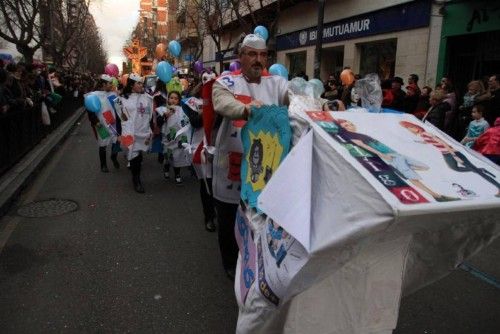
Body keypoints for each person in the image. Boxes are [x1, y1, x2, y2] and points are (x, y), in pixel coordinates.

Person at [211, 34, 288, 279]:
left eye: (263, 54)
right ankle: (228, 264)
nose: (259, 60)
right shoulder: (226, 82)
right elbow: (222, 104)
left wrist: (320, 106)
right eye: (253, 54)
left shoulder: (277, 83)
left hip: (264, 166)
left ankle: (257, 264)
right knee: (228, 217)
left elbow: (295, 101)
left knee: (259, 217)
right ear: (241, 56)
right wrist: (245, 109)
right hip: (231, 163)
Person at [400, 120, 500, 197]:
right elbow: (430, 142)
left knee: (477, 172)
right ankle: (479, 169)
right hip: (446, 153)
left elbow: (443, 143)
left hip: (452, 152)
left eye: (409, 128)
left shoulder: (426, 134)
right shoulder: (422, 136)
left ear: (414, 127)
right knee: (454, 168)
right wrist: (418, 143)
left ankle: (497, 186)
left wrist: (454, 155)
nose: (408, 130)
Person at [115, 73, 153, 193]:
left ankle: (136, 177)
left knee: (138, 155)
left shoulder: (147, 98)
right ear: (132, 85)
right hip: (129, 133)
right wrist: (120, 133)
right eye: (139, 83)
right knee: (133, 155)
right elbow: (121, 118)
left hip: (142, 132)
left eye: (142, 83)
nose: (142, 85)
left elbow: (149, 115)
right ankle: (136, 179)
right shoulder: (122, 99)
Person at [87, 74, 121, 172]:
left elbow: (120, 108)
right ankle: (103, 165)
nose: (111, 85)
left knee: (117, 141)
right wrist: (96, 122)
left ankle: (113, 157)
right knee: (103, 144)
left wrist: (124, 119)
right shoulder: (94, 95)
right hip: (101, 123)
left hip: (113, 123)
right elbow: (90, 111)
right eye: (109, 83)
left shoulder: (113, 94)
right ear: (103, 84)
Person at [158, 91, 190, 185]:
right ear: (168, 99)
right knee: (168, 156)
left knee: (178, 156)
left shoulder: (182, 109)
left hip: (179, 137)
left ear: (179, 100)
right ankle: (166, 167)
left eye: (176, 98)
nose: (173, 100)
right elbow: (159, 122)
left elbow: (186, 121)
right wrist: (165, 115)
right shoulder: (163, 109)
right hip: (167, 138)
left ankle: (177, 174)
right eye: (171, 98)